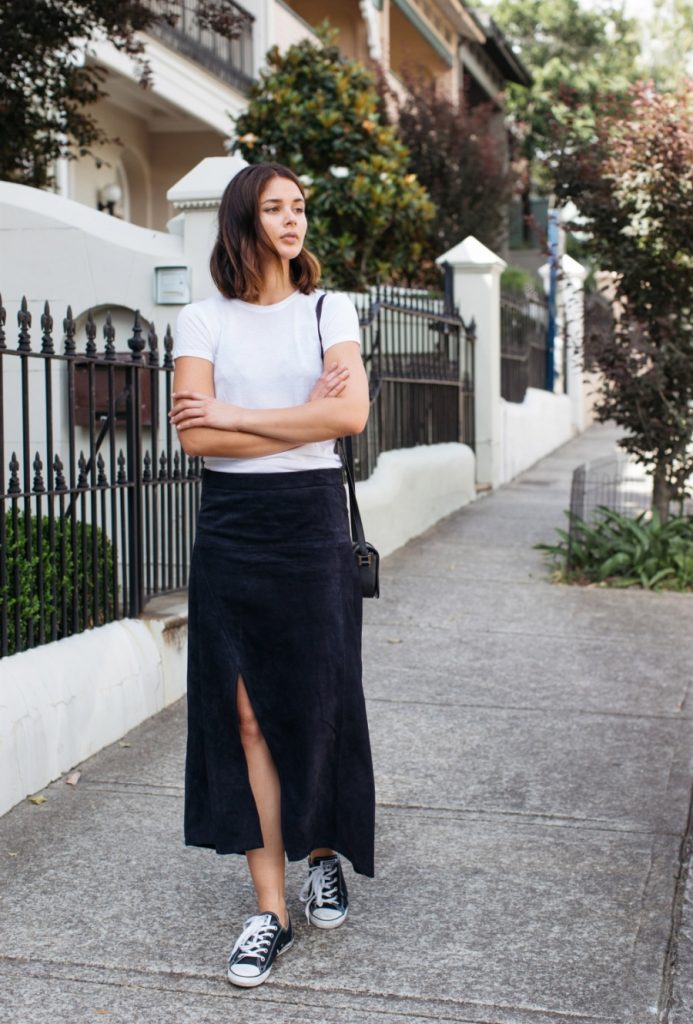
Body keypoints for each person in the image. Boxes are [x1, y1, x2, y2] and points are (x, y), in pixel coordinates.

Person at [170, 162, 376, 989]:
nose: (292, 221)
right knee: (246, 717)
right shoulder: (200, 319)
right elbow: (196, 441)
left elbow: (349, 416)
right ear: (241, 222)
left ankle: (320, 849)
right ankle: (269, 910)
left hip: (309, 522)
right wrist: (291, 422)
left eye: (298, 208)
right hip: (232, 528)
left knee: (314, 701)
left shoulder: (330, 309)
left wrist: (236, 414)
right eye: (274, 208)